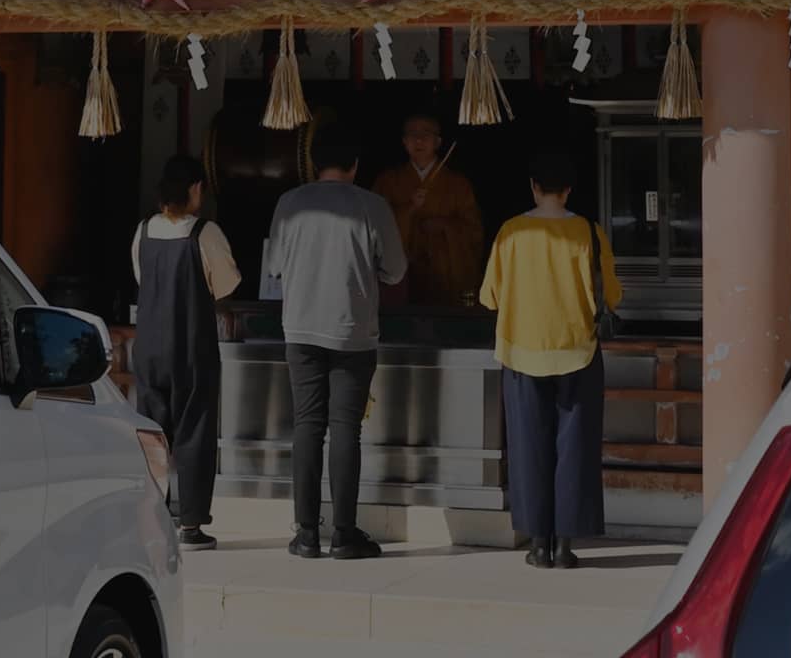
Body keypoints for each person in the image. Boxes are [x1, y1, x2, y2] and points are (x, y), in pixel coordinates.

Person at [263, 119, 406, 562]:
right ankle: (344, 534)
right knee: (346, 428)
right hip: (353, 333)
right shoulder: (373, 205)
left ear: (313, 162)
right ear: (355, 165)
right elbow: (396, 269)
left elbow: (272, 267)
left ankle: (306, 534)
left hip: (300, 329)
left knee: (307, 426)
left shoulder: (289, 203)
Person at [478, 145, 622, 569]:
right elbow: (611, 294)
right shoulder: (590, 233)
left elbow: (490, 296)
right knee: (575, 448)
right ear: (570, 189)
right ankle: (565, 546)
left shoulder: (511, 232)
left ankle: (537, 544)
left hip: (522, 353)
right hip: (578, 351)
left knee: (528, 448)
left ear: (534, 186)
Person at [130, 154, 241, 549]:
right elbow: (226, 284)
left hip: (149, 348)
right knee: (194, 429)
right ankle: (191, 524)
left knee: (152, 433)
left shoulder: (144, 231)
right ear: (195, 189)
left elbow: (141, 277)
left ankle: (150, 516)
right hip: (191, 346)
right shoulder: (204, 233)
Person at [370, 113, 484, 308]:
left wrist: (446, 225)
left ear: (438, 142)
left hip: (445, 273)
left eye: (426, 134)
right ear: (404, 142)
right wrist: (408, 209)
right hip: (403, 275)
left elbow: (474, 233)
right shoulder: (387, 181)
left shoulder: (458, 184)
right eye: (412, 134)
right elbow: (373, 230)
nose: (419, 140)